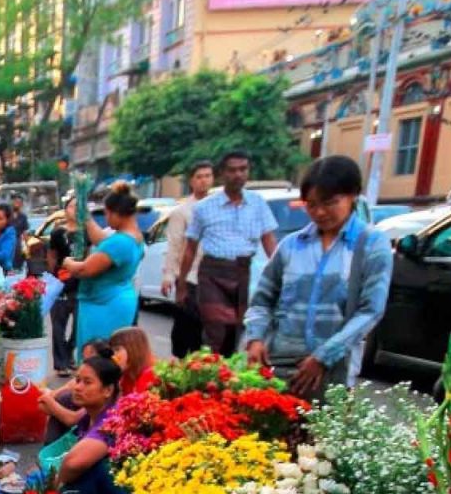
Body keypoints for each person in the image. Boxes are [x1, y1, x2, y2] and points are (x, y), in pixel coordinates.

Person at [242, 155, 391, 399]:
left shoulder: (371, 245)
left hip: (334, 369)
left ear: (353, 195)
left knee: (322, 435)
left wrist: (323, 356)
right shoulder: (291, 245)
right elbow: (262, 300)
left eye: (330, 202)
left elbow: (370, 311)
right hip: (281, 364)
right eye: (311, 204)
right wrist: (256, 338)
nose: (320, 212)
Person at [178, 150, 279, 354]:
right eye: (232, 170)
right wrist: (181, 284)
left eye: (243, 169)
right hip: (212, 274)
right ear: (222, 174)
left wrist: (282, 274)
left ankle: (227, 375)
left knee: (237, 329)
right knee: (216, 329)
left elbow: (269, 242)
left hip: (243, 272)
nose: (238, 175)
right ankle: (211, 372)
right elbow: (190, 249)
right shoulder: (204, 207)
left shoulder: (258, 203)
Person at [54, 356, 130, 494]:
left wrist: (55, 486)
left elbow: (74, 463)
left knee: (90, 470)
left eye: (87, 382)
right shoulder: (88, 416)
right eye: (77, 380)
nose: (77, 387)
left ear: (107, 390)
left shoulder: (113, 420)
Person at [61, 182, 144, 351]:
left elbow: (85, 270)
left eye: (107, 213)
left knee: (98, 357)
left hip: (105, 304)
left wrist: (67, 262)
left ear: (117, 213)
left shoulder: (121, 242)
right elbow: (104, 242)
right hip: (114, 299)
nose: (106, 218)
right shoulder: (132, 236)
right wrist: (87, 218)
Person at [160, 160, 215, 357]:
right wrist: (169, 276)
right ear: (191, 181)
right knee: (187, 330)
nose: (204, 181)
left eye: (208, 176)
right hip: (189, 278)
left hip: (213, 279)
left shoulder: (218, 208)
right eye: (199, 177)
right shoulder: (181, 212)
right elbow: (174, 245)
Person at [40, 338, 109, 444]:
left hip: (95, 440)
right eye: (83, 360)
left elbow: (72, 419)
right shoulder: (81, 378)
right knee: (64, 398)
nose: (78, 387)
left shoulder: (109, 385)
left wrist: (49, 401)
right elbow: (43, 404)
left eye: (90, 360)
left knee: (64, 399)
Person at [47, 205, 78, 376]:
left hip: (83, 285)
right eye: (72, 206)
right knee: (59, 324)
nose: (75, 209)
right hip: (62, 282)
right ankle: (61, 363)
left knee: (79, 326)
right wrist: (53, 279)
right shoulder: (58, 233)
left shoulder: (88, 232)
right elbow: (52, 254)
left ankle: (69, 353)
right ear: (65, 210)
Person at [108, 326, 158, 395]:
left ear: (133, 349)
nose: (113, 356)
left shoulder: (150, 375)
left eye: (117, 349)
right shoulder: (128, 374)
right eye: (112, 351)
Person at [9, 193, 31, 274]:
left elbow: (25, 232)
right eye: (15, 202)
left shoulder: (23, 217)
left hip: (17, 243)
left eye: (19, 203)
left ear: (21, 204)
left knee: (18, 265)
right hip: (7, 241)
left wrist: (28, 246)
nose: (17, 204)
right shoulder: (7, 215)